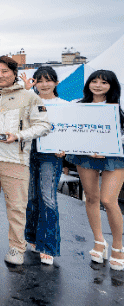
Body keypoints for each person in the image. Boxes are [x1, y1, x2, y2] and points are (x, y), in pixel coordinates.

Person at [0, 56, 51, 265]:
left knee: (16, 207)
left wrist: (18, 136)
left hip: (15, 159)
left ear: (14, 73)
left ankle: (17, 247)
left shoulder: (29, 97)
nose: (0, 75)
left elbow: (44, 125)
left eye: (4, 71)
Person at [65, 70, 124, 270]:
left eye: (104, 82)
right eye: (94, 81)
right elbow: (71, 130)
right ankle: (99, 241)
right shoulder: (77, 105)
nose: (98, 85)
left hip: (114, 156)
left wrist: (106, 147)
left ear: (112, 86)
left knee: (108, 200)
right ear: (88, 84)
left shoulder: (117, 107)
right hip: (85, 155)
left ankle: (118, 246)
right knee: (91, 198)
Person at [18, 66, 68, 265]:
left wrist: (65, 148)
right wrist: (24, 92)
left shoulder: (65, 105)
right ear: (35, 83)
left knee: (47, 198)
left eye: (48, 80)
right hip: (28, 151)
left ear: (56, 82)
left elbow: (71, 131)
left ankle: (48, 245)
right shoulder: (29, 100)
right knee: (30, 196)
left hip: (51, 155)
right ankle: (31, 236)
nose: (44, 84)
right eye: (40, 80)